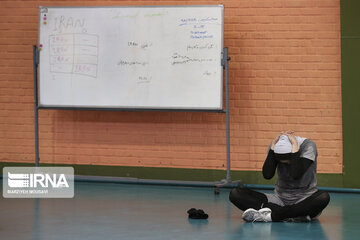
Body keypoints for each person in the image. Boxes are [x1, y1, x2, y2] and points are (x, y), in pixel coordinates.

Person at [229, 131, 330, 222]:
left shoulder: (308, 146)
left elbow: (295, 174)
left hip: (304, 199)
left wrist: (295, 149)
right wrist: (272, 149)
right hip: (279, 199)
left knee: (323, 197)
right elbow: (267, 175)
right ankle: (293, 214)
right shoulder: (275, 147)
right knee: (235, 194)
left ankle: (272, 216)